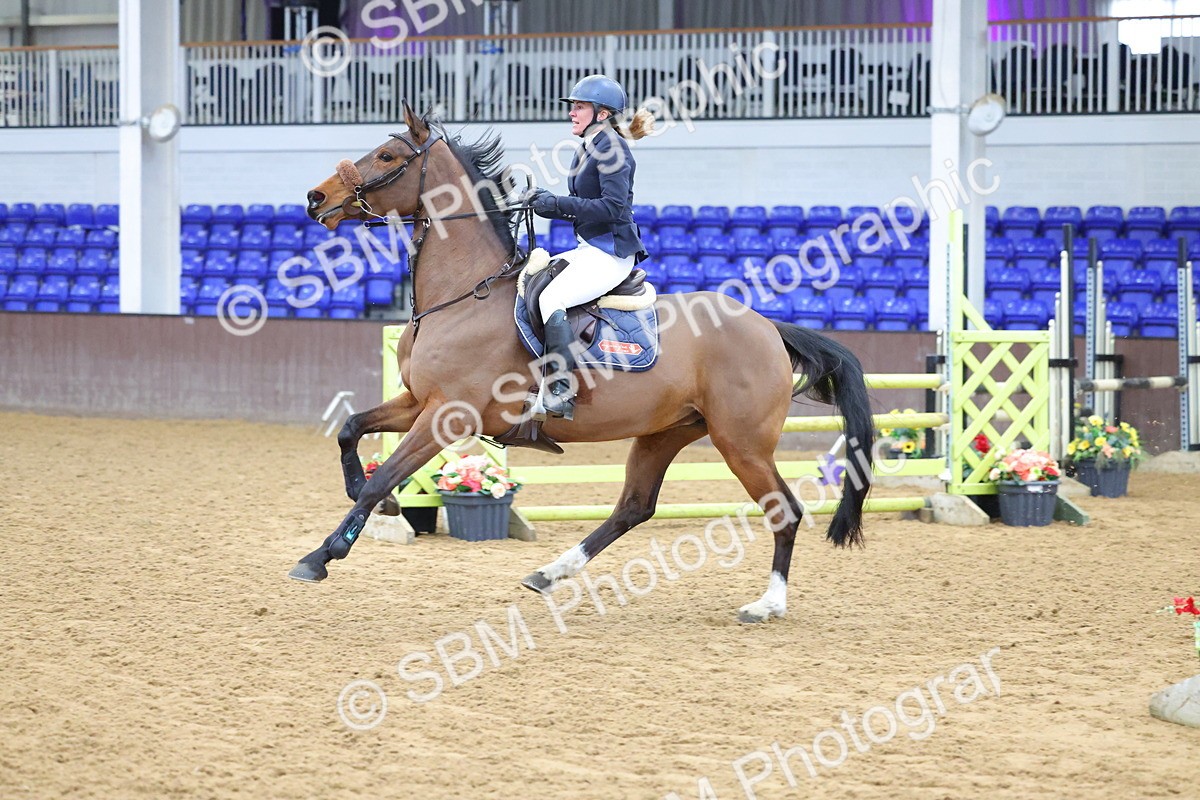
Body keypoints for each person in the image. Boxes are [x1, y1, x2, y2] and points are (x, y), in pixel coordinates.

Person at [521, 74, 654, 420]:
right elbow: (585, 205)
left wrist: (556, 204)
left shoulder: (612, 148)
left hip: (610, 254)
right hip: (591, 247)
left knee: (553, 298)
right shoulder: (592, 146)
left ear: (602, 113)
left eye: (579, 106)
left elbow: (613, 208)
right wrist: (543, 202)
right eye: (574, 106)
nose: (572, 112)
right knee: (530, 277)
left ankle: (561, 390)